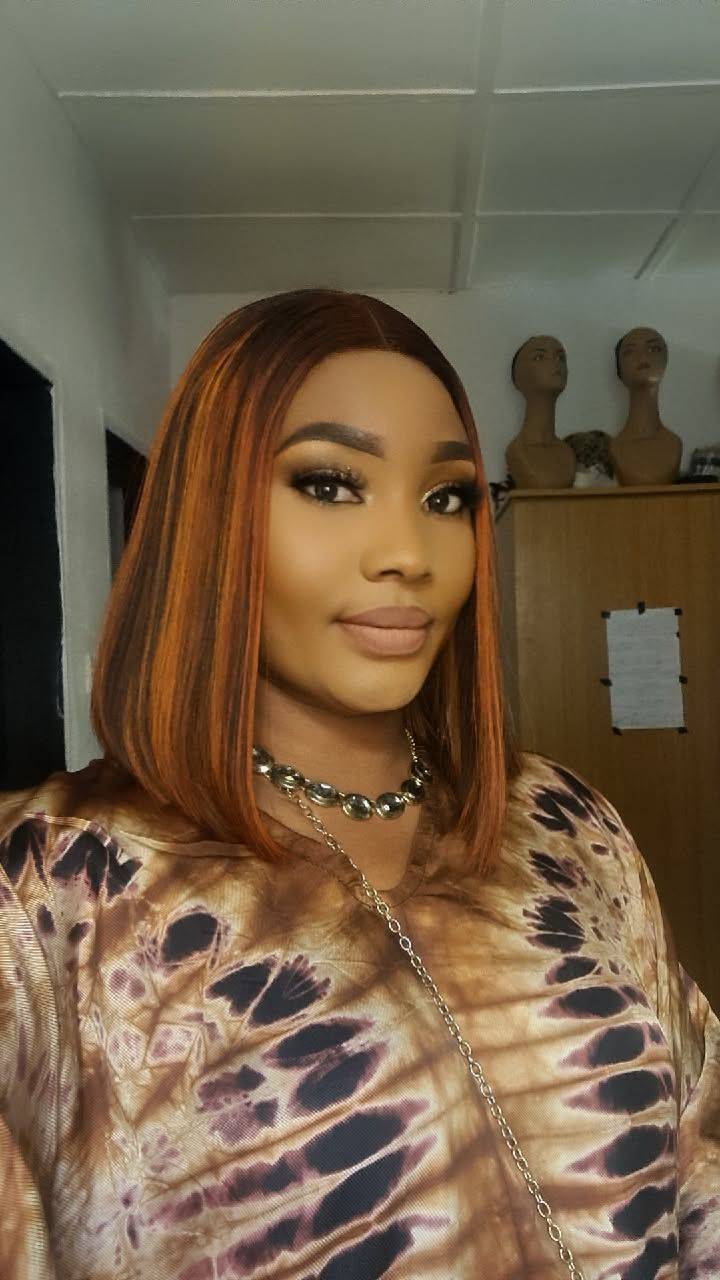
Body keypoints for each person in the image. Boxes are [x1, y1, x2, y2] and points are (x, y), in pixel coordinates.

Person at [0, 289, 717, 1280]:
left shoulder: (562, 820)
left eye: (446, 497)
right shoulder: (51, 887)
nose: (408, 555)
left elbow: (700, 1160)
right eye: (331, 483)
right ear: (207, 515)